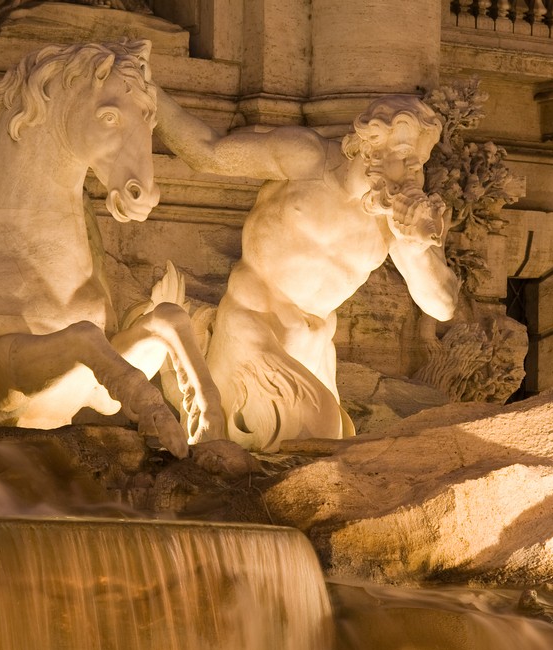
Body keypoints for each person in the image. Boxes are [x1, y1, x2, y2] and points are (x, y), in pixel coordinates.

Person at [154, 91, 459, 450]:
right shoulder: (306, 158)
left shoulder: (392, 221)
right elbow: (209, 153)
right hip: (252, 325)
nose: (412, 175)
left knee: (327, 444)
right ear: (370, 144)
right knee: (318, 432)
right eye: (407, 158)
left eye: (419, 165)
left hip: (312, 347)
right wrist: (152, 99)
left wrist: (416, 244)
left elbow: (441, 306)